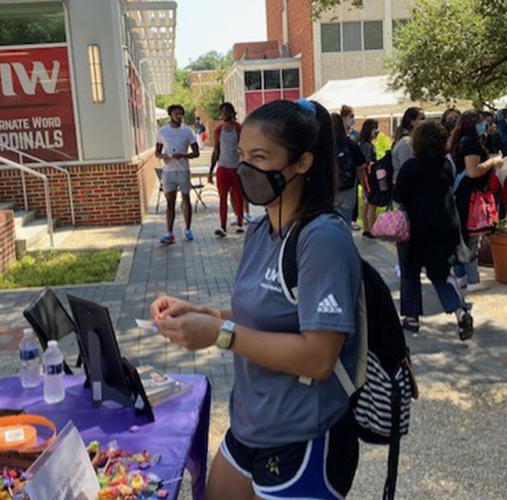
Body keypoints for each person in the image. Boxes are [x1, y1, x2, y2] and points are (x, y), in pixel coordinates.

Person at [148, 99, 360, 500]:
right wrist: (201, 312)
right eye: (242, 155)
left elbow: (319, 358)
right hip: (250, 425)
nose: (246, 169)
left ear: (302, 163)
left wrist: (220, 333)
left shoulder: (323, 239)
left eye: (260, 157)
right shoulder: (261, 230)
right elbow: (262, 313)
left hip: (302, 437)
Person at [393, 121, 473, 338]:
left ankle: (411, 318)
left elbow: (398, 195)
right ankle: (459, 310)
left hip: (416, 228)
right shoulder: (446, 165)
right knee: (440, 274)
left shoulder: (411, 167)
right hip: (445, 225)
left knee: (410, 271)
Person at [450, 110, 504, 293]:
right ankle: (473, 279)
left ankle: (461, 276)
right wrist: (493, 161)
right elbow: (473, 171)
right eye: (482, 122)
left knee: (461, 235)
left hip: (461, 195)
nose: (485, 125)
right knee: (471, 236)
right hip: (471, 195)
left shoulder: (458, 141)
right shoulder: (472, 144)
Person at [156, 104, 200, 245]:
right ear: (170, 115)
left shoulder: (188, 131)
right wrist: (166, 156)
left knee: (186, 199)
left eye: (181, 113)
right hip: (168, 171)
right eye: (176, 113)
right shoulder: (162, 131)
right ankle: (169, 233)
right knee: (170, 202)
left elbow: (196, 152)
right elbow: (157, 153)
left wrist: (184, 155)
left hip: (183, 170)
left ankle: (187, 229)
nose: (179, 116)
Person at [209, 102, 244, 237]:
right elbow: (216, 151)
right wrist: (210, 171)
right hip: (222, 168)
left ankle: (240, 223)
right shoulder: (218, 130)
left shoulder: (238, 128)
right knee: (222, 198)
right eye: (223, 111)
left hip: (236, 168)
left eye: (228, 111)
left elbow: (244, 148)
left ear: (232, 113)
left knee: (238, 197)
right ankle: (222, 227)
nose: (225, 114)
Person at [331, 113, 366, 225]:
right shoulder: (351, 144)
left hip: (330, 190)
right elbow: (361, 167)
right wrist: (365, 188)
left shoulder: (324, 146)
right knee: (346, 221)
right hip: (348, 189)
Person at [358, 118, 384, 238]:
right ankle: (371, 229)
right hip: (370, 178)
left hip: (366, 178)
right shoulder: (368, 146)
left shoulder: (364, 144)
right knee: (372, 204)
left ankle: (366, 228)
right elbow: (365, 165)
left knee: (367, 203)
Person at [392, 107, 425, 182]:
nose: (424, 122)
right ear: (411, 121)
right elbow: (409, 169)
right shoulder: (406, 143)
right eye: (421, 119)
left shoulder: (412, 141)